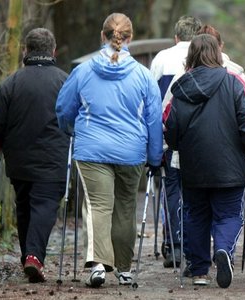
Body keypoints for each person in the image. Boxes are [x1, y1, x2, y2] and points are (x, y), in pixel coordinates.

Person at [55, 13, 163, 288]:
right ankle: (124, 269)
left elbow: (64, 109)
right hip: (131, 150)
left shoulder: (83, 71)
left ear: (102, 37)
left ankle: (99, 265)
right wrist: (154, 157)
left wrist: (72, 131)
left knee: (98, 206)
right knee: (126, 207)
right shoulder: (143, 76)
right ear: (130, 39)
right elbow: (153, 121)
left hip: (92, 149)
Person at [163, 34, 245, 288]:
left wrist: (177, 146)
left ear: (191, 57)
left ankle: (199, 271)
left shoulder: (181, 89)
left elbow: (171, 129)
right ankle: (223, 250)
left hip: (194, 166)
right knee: (229, 214)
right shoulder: (233, 83)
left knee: (195, 215)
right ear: (218, 54)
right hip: (230, 165)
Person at [0, 28, 69, 283]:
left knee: (24, 206)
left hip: (19, 160)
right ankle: (33, 257)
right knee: (44, 205)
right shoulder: (65, 82)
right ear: (53, 51)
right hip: (53, 158)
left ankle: (29, 257)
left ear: (26, 50)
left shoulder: (11, 83)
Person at [150, 15, 202, 270]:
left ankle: (173, 243)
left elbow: (152, 99)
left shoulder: (162, 58)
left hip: (169, 137)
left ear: (176, 37)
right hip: (201, 138)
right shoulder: (208, 58)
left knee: (172, 189)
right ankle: (198, 243)